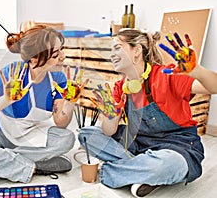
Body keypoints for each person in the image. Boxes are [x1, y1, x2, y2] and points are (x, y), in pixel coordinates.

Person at [78, 28, 217, 197]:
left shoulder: (166, 75)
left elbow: (213, 87)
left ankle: (115, 172)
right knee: (86, 135)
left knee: (167, 165)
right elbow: (109, 132)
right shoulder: (119, 88)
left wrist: (197, 71)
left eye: (117, 47)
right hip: (137, 144)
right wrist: (109, 114)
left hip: (176, 147)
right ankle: (142, 172)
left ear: (137, 51)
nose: (112, 54)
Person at [0, 24, 86, 183]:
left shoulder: (57, 78)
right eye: (55, 54)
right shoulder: (11, 73)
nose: (63, 56)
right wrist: (6, 99)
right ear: (35, 59)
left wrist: (71, 101)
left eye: (62, 50)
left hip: (29, 136)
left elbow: (61, 123)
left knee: (67, 139)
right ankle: (33, 167)